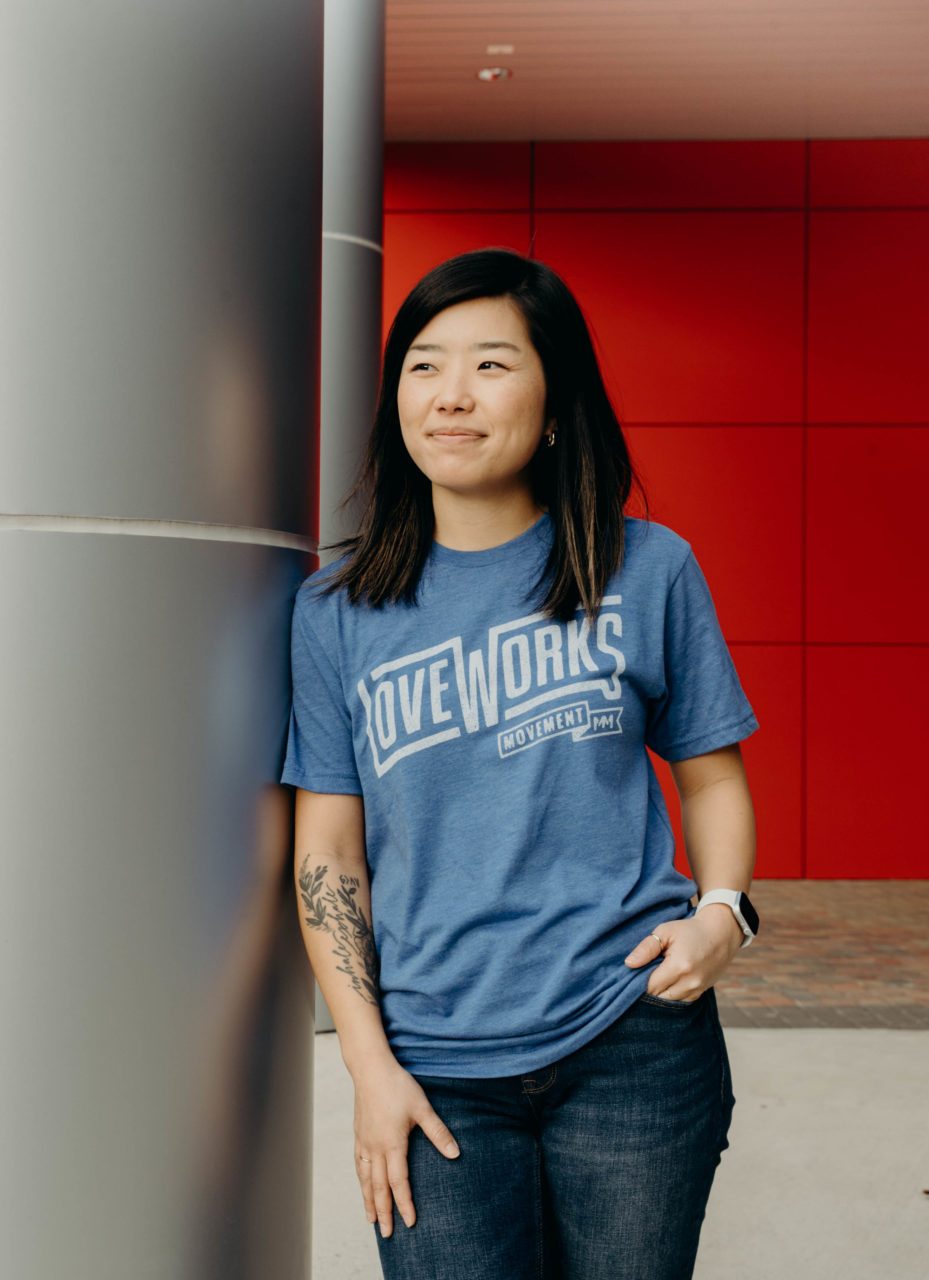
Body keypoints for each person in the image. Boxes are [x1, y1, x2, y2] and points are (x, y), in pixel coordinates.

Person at [281, 248, 762, 1279]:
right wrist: (369, 1065)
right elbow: (327, 850)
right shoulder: (336, 613)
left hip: (632, 1033)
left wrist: (724, 912)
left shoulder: (645, 566)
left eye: (492, 364)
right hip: (433, 1058)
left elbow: (711, 771)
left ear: (552, 406)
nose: (451, 394)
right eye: (424, 365)